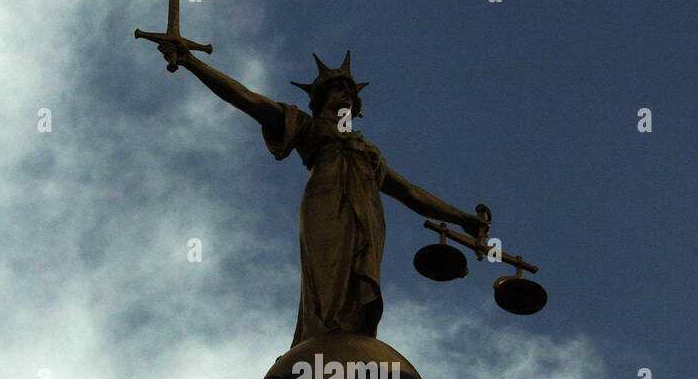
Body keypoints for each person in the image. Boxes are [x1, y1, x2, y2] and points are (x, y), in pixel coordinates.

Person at [156, 42, 484, 346]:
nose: (344, 96)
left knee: (358, 285)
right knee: (328, 274)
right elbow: (246, 98)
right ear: (321, 99)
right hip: (326, 206)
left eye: (349, 92)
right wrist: (191, 61)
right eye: (337, 89)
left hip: (368, 219)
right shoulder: (307, 127)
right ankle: (323, 335)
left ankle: (350, 336)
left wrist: (463, 218)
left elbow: (411, 193)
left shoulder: (369, 153)